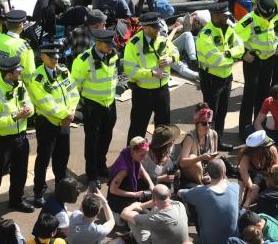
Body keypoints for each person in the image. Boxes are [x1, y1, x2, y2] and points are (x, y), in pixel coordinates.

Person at [0, 55, 34, 223]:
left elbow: (30, 105)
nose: (20, 73)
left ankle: (16, 200)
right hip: (2, 141)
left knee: (20, 172)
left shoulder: (20, 85)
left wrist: (28, 111)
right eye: (18, 70)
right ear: (10, 73)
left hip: (21, 137)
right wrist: (16, 117)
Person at [27, 43, 77, 206]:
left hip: (64, 122)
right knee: (44, 158)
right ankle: (38, 193)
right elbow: (46, 103)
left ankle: (60, 189)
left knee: (62, 157)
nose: (56, 59)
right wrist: (65, 114)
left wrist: (71, 111)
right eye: (52, 56)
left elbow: (73, 92)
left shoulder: (63, 71)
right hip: (47, 123)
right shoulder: (37, 78)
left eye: (57, 56)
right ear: (43, 57)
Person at [71, 29, 117, 182]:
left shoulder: (112, 54)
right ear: (98, 43)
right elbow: (73, 87)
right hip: (92, 106)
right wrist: (76, 108)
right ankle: (91, 174)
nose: (111, 47)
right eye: (107, 45)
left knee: (106, 136)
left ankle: (101, 164)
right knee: (92, 141)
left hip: (110, 104)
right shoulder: (83, 60)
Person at [123, 11, 178, 139]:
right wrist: (151, 73)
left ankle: (161, 155)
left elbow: (175, 51)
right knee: (138, 127)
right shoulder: (133, 44)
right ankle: (133, 158)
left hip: (162, 90)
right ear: (146, 28)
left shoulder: (162, 38)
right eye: (155, 28)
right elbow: (129, 70)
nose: (158, 30)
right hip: (143, 92)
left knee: (164, 128)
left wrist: (172, 58)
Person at [235, 0, 278, 138]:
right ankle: (244, 130)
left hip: (268, 59)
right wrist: (243, 54)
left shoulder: (274, 17)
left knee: (263, 94)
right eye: (265, 16)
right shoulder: (248, 21)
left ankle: (260, 126)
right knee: (250, 94)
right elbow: (234, 39)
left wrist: (277, 45)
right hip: (253, 61)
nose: (268, 19)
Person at [196, 3, 243, 143]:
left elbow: (241, 47)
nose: (227, 18)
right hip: (211, 79)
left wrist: (229, 53)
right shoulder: (205, 35)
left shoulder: (228, 29)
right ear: (215, 16)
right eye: (224, 16)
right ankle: (206, 143)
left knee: (222, 112)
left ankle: (218, 140)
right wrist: (233, 56)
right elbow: (216, 60)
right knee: (210, 114)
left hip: (227, 76)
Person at [120, 185, 189, 244]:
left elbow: (124, 214)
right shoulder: (179, 205)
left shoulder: (154, 218)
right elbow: (159, 203)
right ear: (169, 195)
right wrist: (142, 206)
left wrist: (134, 205)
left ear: (153, 199)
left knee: (131, 219)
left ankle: (136, 241)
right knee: (155, 210)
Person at [178, 158, 239, 244]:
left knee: (193, 200)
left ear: (208, 173)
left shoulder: (200, 192)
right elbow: (226, 182)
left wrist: (199, 187)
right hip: (233, 241)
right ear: (224, 171)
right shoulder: (235, 187)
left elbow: (180, 193)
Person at [106, 137, 154, 215]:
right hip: (117, 199)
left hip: (128, 188)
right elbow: (113, 190)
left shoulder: (132, 155)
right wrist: (135, 194)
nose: (144, 158)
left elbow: (143, 172)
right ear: (133, 151)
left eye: (146, 154)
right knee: (141, 213)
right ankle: (115, 213)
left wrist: (151, 185)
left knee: (148, 184)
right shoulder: (123, 170)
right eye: (142, 155)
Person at [238, 130, 278, 208]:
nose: (270, 147)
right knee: (245, 179)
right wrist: (252, 186)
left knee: (258, 176)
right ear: (259, 148)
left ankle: (245, 206)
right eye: (267, 146)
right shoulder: (247, 154)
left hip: (266, 178)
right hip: (250, 179)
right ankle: (241, 203)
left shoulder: (272, 151)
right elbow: (243, 171)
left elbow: (276, 170)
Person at [178, 104, 218, 185]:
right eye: (204, 123)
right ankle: (201, 185)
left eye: (210, 123)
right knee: (193, 158)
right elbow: (182, 163)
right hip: (191, 174)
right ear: (197, 123)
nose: (208, 126)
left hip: (206, 173)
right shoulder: (190, 138)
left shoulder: (213, 134)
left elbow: (215, 156)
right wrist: (201, 158)